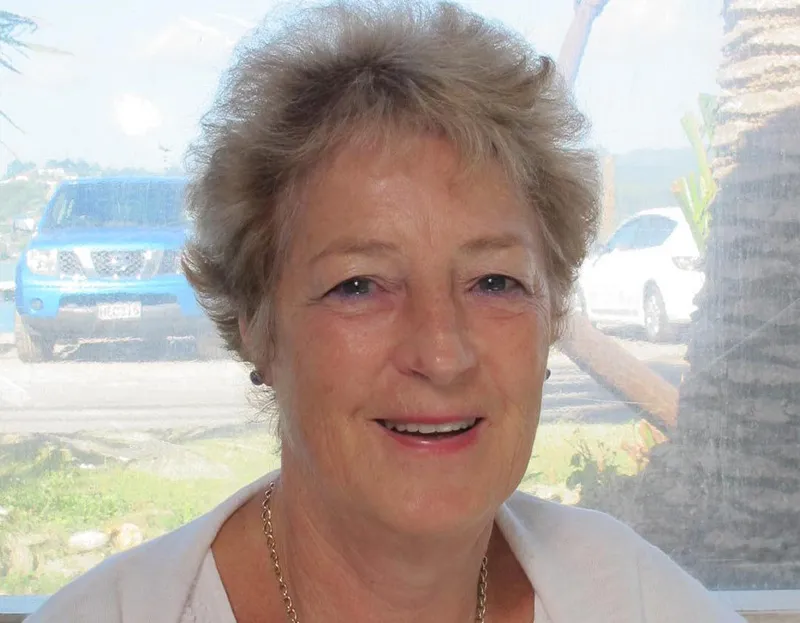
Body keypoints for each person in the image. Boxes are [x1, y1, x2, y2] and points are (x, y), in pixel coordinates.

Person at [29, 2, 744, 622]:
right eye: (360, 286)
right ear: (257, 325)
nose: (442, 353)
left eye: (494, 282)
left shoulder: (629, 594)